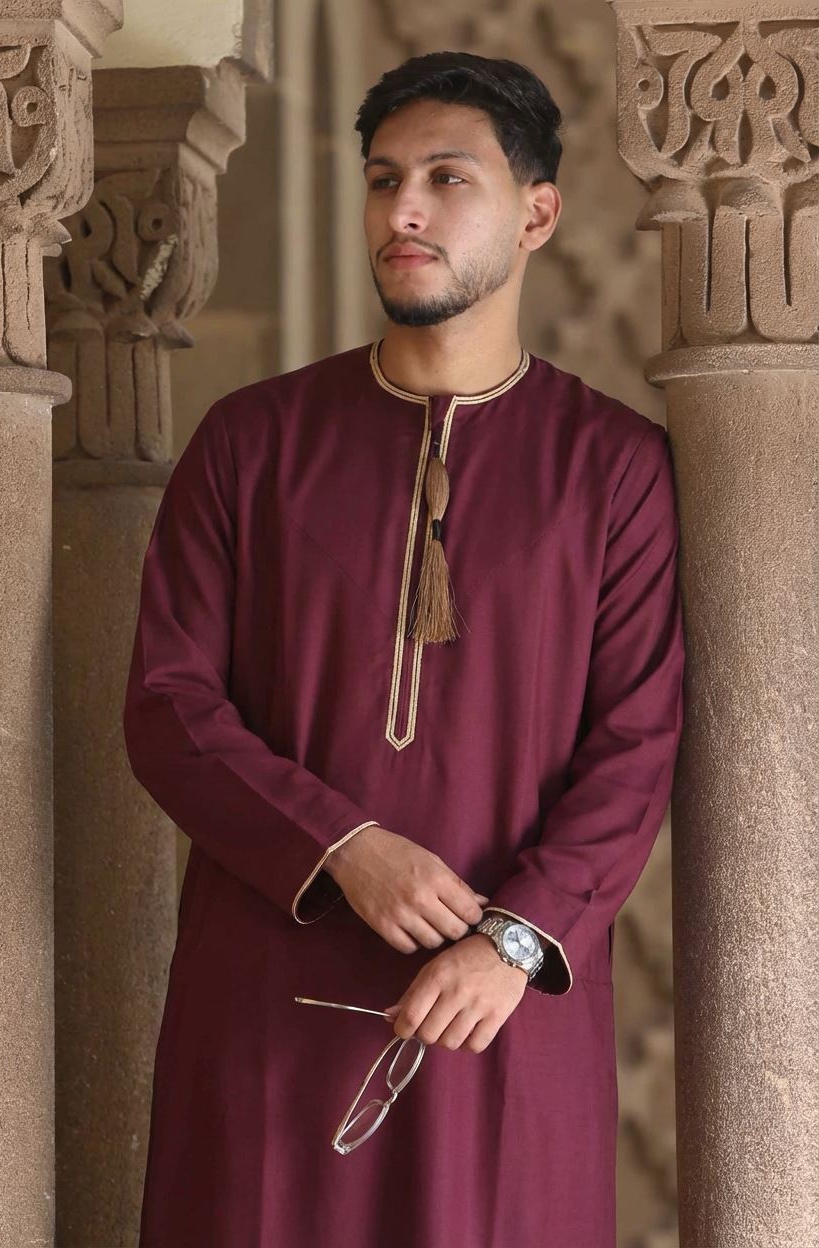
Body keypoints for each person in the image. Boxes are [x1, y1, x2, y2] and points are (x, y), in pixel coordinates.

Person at [123, 49, 685, 1248]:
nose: (403, 211)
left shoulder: (614, 470)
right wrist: (342, 846)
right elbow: (169, 706)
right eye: (382, 180)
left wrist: (513, 939)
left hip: (499, 1014)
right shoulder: (249, 446)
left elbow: (636, 744)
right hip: (266, 1007)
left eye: (446, 178)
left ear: (536, 214)